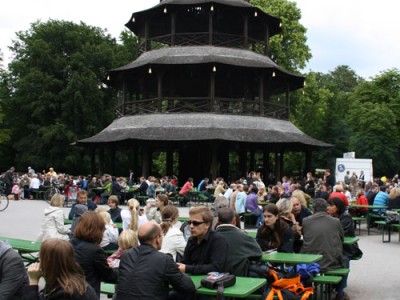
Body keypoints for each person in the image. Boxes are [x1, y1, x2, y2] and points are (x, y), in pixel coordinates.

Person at [116, 222, 195, 300]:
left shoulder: (126, 255)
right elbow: (188, 287)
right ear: (157, 239)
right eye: (162, 235)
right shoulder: (164, 260)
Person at [22, 239, 97, 300]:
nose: (39, 262)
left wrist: (33, 281)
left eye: (41, 258)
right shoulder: (69, 281)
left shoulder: (66, 294)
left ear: (48, 263)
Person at [71, 211, 118, 297]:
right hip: (87, 293)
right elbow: (108, 275)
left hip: (69, 291)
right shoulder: (95, 250)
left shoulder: (69, 244)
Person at [177, 206, 228, 275]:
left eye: (195, 223)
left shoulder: (218, 240)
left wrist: (188, 268)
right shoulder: (191, 240)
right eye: (190, 222)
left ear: (207, 225)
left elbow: (216, 267)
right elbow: (185, 263)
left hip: (211, 283)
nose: (191, 226)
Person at [301, 198, 345, 273]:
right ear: (326, 209)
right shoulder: (336, 221)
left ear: (313, 209)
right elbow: (342, 238)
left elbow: (304, 236)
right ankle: (341, 285)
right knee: (346, 258)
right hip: (331, 263)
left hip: (310, 263)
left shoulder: (305, 221)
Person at [328, 197, 359, 300]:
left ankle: (340, 292)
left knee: (344, 261)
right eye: (329, 205)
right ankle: (331, 286)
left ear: (338, 207)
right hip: (334, 247)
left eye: (332, 205)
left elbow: (341, 234)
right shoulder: (332, 216)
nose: (329, 208)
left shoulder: (346, 217)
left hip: (346, 248)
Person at [216, 207, 262, 276]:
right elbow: (258, 253)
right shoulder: (243, 236)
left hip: (212, 278)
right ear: (234, 221)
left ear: (218, 220)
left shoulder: (209, 236)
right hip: (237, 276)